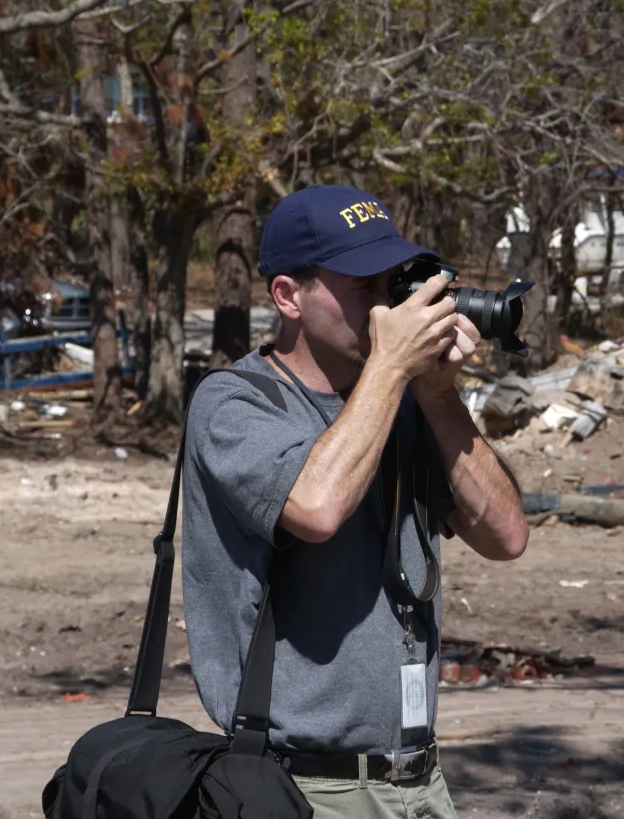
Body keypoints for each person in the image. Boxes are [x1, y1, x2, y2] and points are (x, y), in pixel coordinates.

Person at [180, 183, 529, 819]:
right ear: (288, 295)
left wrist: (440, 397)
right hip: (300, 786)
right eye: (363, 287)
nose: (386, 308)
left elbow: (505, 536)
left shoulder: (404, 400)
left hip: (419, 780)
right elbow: (316, 508)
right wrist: (391, 371)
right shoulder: (234, 403)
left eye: (393, 284)